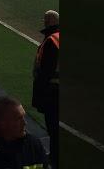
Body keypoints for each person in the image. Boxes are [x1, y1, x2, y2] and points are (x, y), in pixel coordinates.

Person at [32, 10, 59, 169]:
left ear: (48, 22)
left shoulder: (51, 41)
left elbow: (44, 73)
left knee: (54, 128)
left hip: (53, 93)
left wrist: (39, 97)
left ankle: (55, 158)